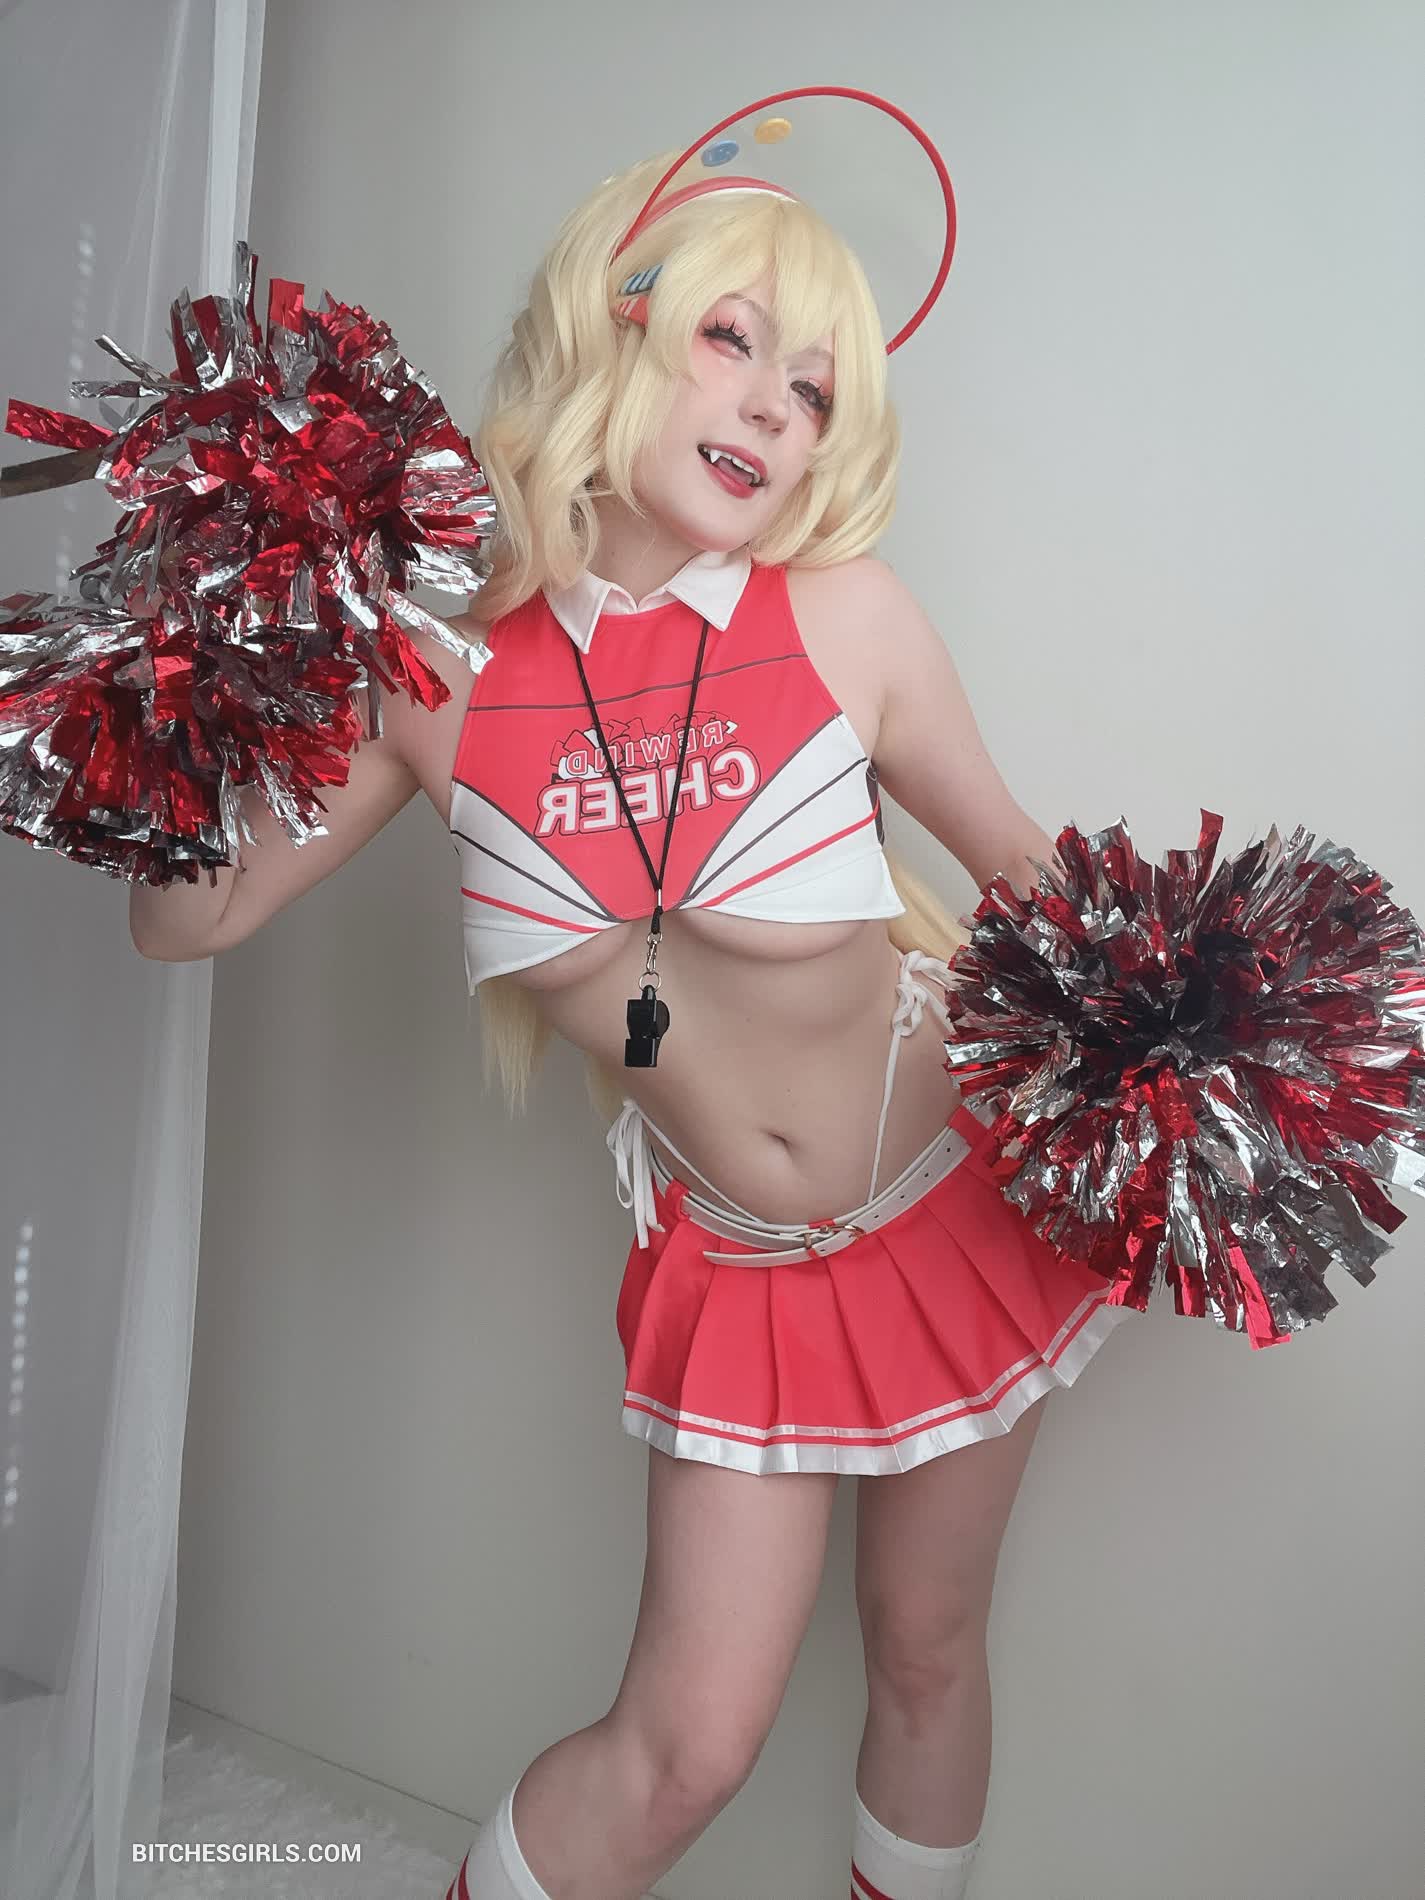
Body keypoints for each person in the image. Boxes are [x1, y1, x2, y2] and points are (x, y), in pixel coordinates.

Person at [130, 141, 1130, 1900]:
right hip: (738, 1262)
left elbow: (1055, 899)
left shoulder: (849, 621)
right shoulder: (434, 678)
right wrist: (202, 662)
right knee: (686, 1748)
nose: (771, 409)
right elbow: (180, 920)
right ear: (619, 329)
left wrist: (1247, 1047)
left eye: (813, 389)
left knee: (924, 1647)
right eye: (732, 340)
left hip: (956, 1202)